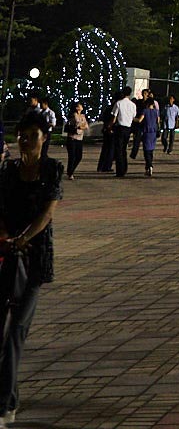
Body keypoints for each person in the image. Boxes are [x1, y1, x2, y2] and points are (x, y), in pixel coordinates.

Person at [0, 109, 64, 425]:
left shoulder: (52, 169)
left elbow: (47, 213)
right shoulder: (8, 170)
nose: (25, 141)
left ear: (44, 138)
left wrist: (24, 238)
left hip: (34, 259)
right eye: (22, 136)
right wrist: (6, 236)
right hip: (4, 256)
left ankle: (5, 403)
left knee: (16, 332)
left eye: (32, 136)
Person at [112, 88, 137, 178]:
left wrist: (110, 126)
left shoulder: (118, 103)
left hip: (120, 127)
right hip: (128, 128)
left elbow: (114, 117)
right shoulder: (133, 105)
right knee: (124, 149)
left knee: (118, 149)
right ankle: (124, 167)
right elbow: (134, 116)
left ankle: (120, 170)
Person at [64, 102, 88, 180]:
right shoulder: (73, 115)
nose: (82, 107)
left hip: (80, 138)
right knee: (72, 156)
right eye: (80, 106)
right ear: (77, 108)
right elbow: (77, 124)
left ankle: (70, 170)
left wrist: (81, 126)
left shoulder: (83, 116)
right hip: (72, 138)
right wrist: (81, 126)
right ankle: (70, 173)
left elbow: (86, 126)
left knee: (79, 156)